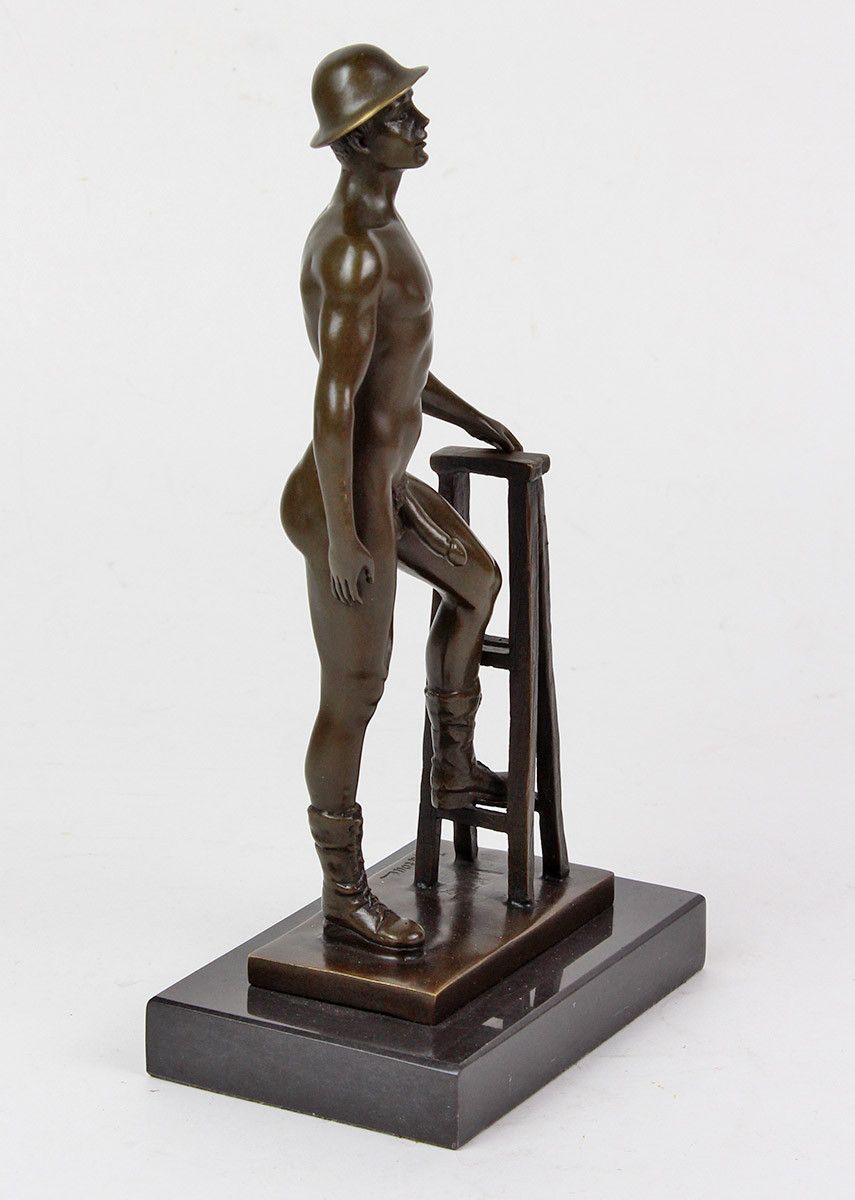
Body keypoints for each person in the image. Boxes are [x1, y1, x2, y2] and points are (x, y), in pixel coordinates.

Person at [281, 45, 522, 953]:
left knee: (477, 582)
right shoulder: (350, 250)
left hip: (379, 485)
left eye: (411, 107)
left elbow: (401, 369)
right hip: (339, 502)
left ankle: (453, 769)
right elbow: (334, 402)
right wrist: (347, 539)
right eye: (397, 115)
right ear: (355, 141)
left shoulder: (389, 232)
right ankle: (343, 891)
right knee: (354, 691)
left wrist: (475, 417)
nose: (419, 125)